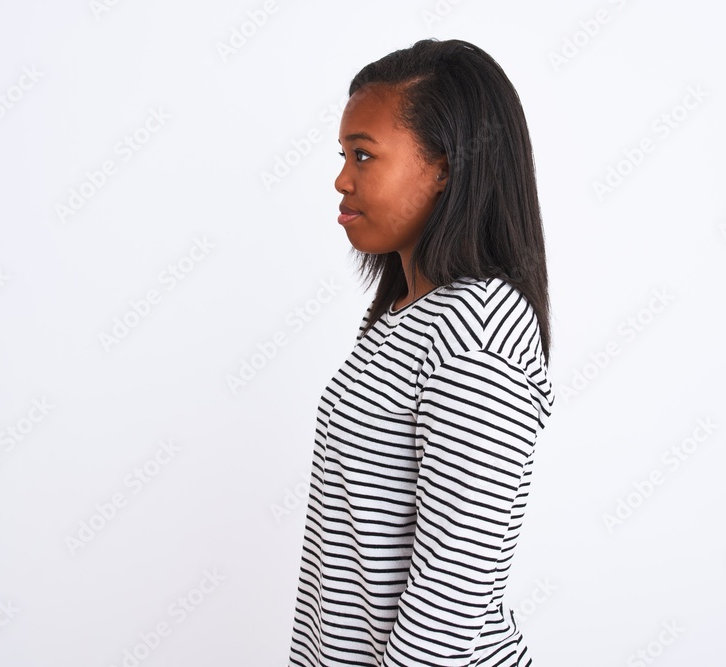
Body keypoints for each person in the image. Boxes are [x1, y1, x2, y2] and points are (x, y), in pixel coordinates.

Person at [287, 38, 555, 667]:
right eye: (343, 154)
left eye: (364, 155)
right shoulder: (402, 317)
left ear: (445, 168)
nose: (341, 178)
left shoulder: (478, 329)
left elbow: (450, 597)